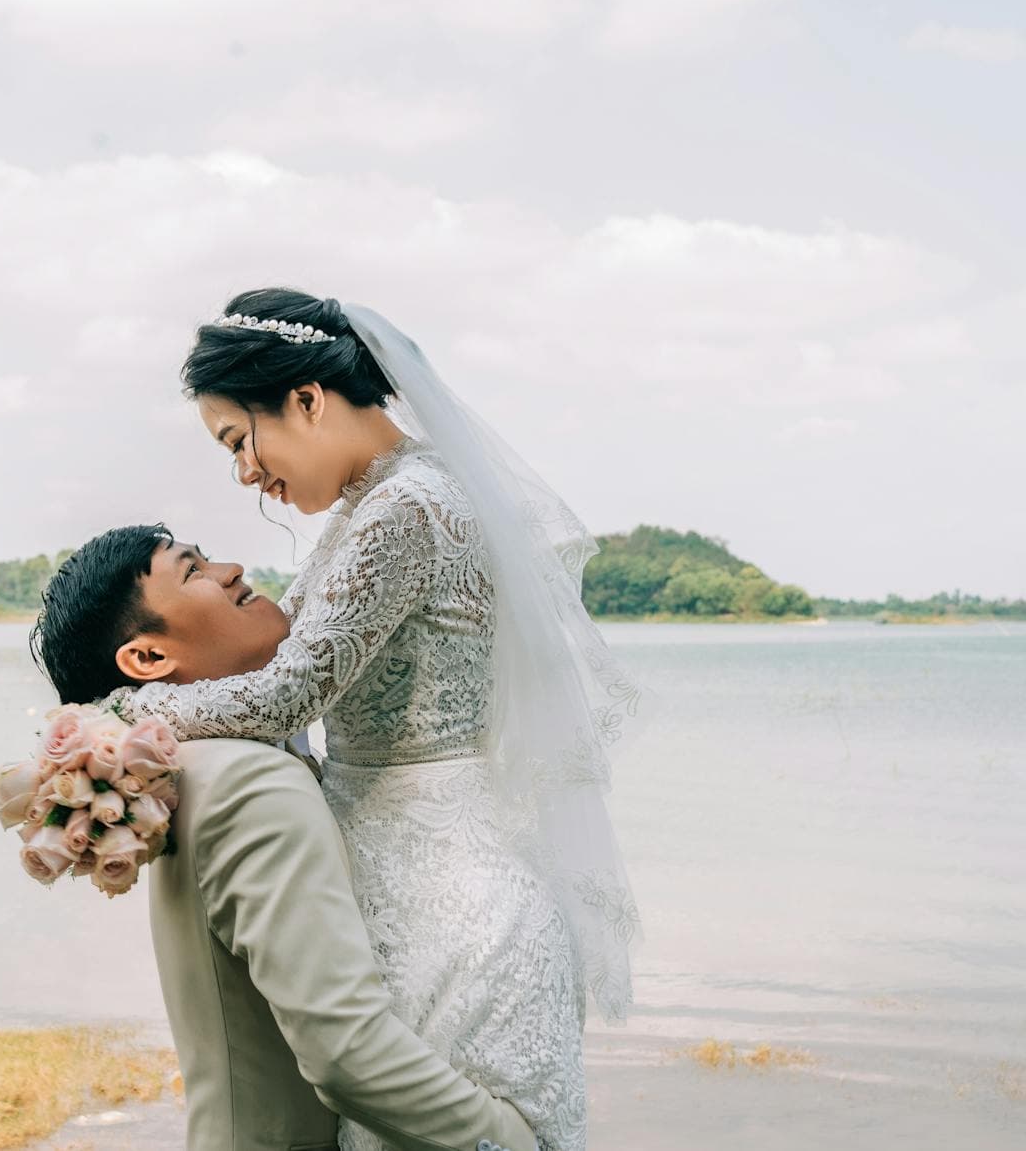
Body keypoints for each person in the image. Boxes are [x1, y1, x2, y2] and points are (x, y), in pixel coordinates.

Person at [102, 290, 649, 1151]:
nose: (245, 474)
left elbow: (288, 694)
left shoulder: (408, 507)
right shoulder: (374, 504)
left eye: (237, 440)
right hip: (403, 884)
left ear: (308, 400)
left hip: (452, 910)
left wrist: (129, 709)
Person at [31, 524, 536, 1151]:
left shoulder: (192, 768)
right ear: (149, 660)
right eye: (194, 572)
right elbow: (347, 1053)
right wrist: (511, 1140)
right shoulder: (250, 782)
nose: (234, 570)